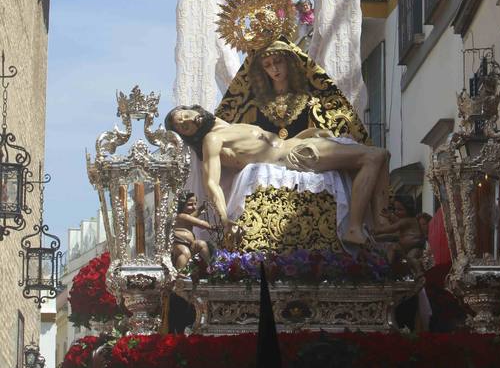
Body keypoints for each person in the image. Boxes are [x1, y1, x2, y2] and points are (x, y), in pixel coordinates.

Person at [165, 104, 403, 247]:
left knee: (381, 155)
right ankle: (354, 227)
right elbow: (211, 182)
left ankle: (381, 222)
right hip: (296, 157)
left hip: (298, 144)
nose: (187, 120)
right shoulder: (212, 139)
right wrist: (225, 220)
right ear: (190, 135)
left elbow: (276, 142)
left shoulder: (225, 126)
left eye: (184, 114)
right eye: (183, 125)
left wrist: (308, 133)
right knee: (374, 156)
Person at [215, 37, 366, 142]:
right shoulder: (253, 107)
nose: (274, 69)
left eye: (278, 62)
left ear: (289, 63)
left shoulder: (310, 101)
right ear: (262, 71)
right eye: (267, 65)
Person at [171, 192, 212, 270]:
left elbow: (193, 215)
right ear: (181, 205)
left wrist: (200, 209)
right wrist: (212, 227)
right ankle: (178, 273)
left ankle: (209, 268)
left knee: (202, 244)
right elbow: (200, 223)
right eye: (190, 204)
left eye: (195, 204)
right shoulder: (181, 216)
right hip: (178, 245)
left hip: (190, 244)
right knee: (185, 253)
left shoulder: (187, 216)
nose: (194, 207)